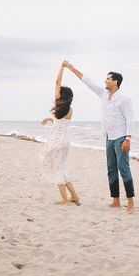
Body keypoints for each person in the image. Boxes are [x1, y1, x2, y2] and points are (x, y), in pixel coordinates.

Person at [63, 60, 135, 214]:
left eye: (108, 78)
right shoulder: (103, 94)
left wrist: (128, 139)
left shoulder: (124, 99)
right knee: (111, 170)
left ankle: (130, 202)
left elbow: (130, 120)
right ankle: (115, 200)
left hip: (121, 137)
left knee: (123, 169)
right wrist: (72, 68)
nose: (105, 80)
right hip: (108, 136)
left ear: (115, 82)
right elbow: (88, 81)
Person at [41, 62, 81, 206]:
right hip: (65, 141)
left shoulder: (59, 103)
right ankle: (74, 196)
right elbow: (60, 122)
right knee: (61, 168)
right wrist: (49, 118)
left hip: (56, 141)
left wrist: (62, 67)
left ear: (61, 95)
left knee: (56, 170)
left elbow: (57, 82)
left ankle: (65, 201)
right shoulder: (70, 109)